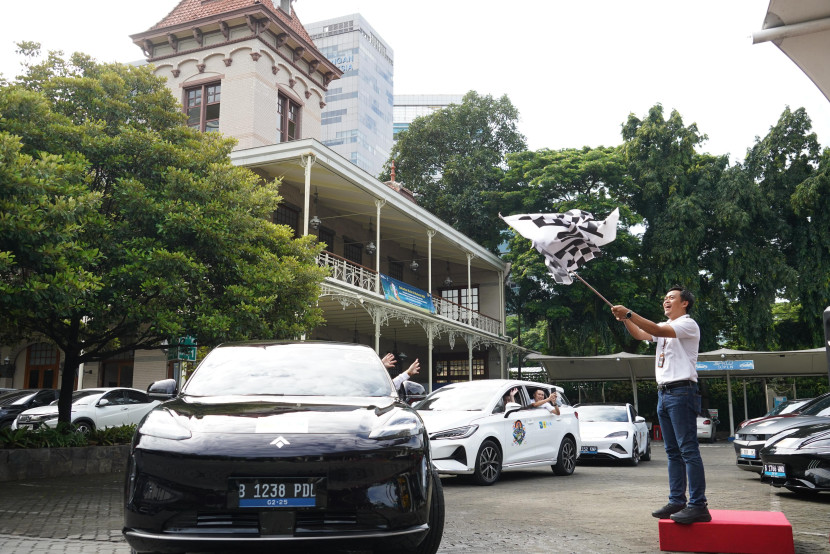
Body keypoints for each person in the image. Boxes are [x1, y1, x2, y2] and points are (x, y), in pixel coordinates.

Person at [611, 286, 710, 524]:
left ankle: (698, 505)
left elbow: (654, 329)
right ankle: (677, 500)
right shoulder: (665, 327)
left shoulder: (687, 324)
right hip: (664, 393)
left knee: (688, 449)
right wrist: (625, 319)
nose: (666, 301)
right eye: (664, 298)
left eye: (671, 298)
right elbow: (640, 334)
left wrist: (630, 313)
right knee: (672, 452)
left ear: (684, 303)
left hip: (682, 391)